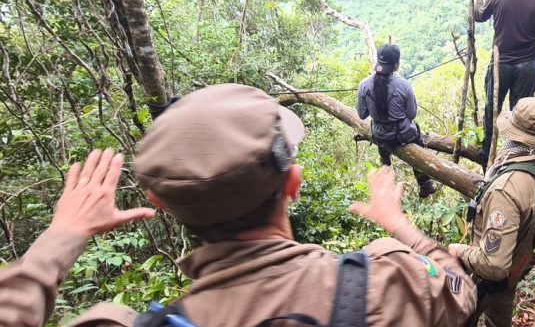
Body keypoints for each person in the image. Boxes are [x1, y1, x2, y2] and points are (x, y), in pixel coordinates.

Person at [0, 84, 476, 326]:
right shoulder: (388, 281)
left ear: (159, 203)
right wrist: (399, 228)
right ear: (293, 182)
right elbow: (460, 292)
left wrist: (62, 237)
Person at [448, 98, 535, 327]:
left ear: (513, 135)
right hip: (516, 264)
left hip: (486, 278)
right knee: (500, 317)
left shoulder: (506, 191)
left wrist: (458, 250)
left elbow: (493, 265)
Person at [469, 0, 535, 164]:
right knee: (522, 112)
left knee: (493, 108)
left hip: (501, 63)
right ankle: (517, 156)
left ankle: (486, 155)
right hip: (527, 65)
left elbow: (480, 16)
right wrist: (533, 28)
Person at [357, 44, 438, 198]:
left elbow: (362, 114)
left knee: (382, 144)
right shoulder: (404, 85)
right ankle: (425, 184)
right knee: (418, 139)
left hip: (380, 135)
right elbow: (411, 114)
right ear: (396, 65)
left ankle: (386, 172)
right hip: (403, 135)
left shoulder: (364, 85)